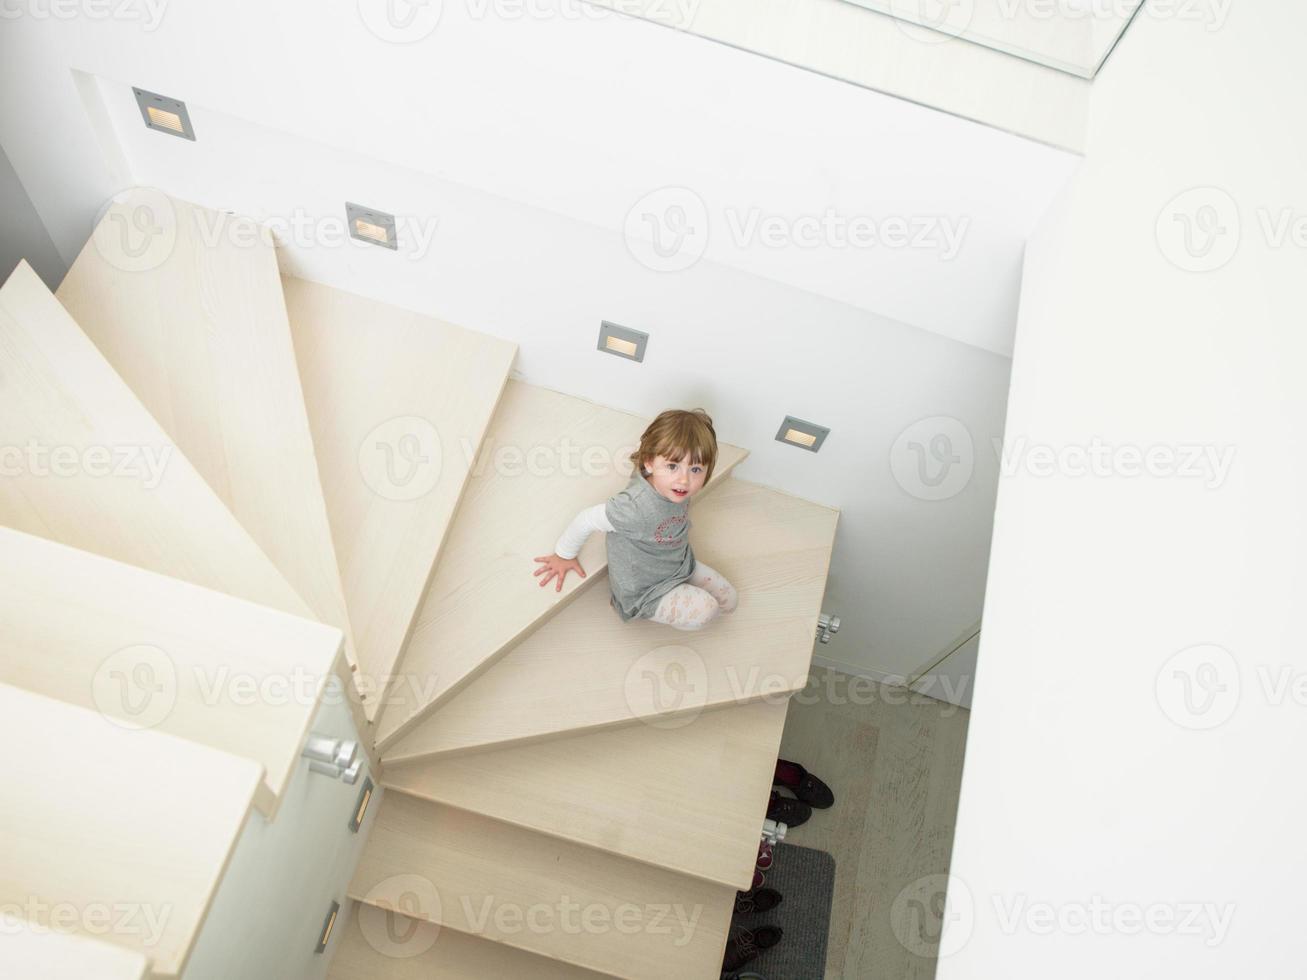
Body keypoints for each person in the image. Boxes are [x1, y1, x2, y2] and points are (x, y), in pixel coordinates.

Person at [532, 408, 739, 630]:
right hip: (646, 590)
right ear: (649, 463)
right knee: (706, 611)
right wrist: (564, 554)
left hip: (678, 563)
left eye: (696, 468)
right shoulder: (634, 508)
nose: (684, 480)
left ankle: (686, 590)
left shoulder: (673, 488)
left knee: (730, 601)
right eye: (672, 466)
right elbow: (586, 519)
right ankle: (648, 608)